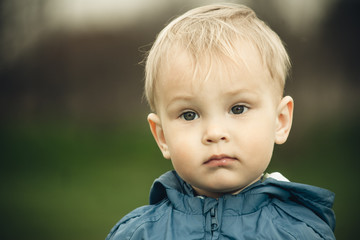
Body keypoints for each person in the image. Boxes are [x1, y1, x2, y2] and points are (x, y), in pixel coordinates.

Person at [106, 3, 336, 239]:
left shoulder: (302, 233)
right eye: (189, 114)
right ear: (162, 137)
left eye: (237, 109)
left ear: (280, 121)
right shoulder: (137, 233)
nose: (215, 133)